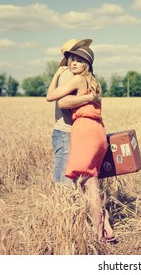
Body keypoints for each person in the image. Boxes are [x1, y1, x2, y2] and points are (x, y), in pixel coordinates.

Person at [46, 45, 115, 243]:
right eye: (71, 60)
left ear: (86, 64)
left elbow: (55, 99)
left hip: (84, 131)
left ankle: (97, 233)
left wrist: (55, 76)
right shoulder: (95, 82)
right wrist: (87, 96)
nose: (73, 63)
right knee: (91, 182)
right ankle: (106, 228)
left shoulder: (77, 79)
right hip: (98, 132)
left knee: (88, 184)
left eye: (78, 60)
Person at [50, 38, 99, 184]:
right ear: (69, 58)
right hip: (66, 131)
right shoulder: (69, 75)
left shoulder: (83, 78)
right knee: (64, 179)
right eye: (75, 56)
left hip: (73, 131)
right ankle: (62, 205)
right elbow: (61, 102)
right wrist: (90, 97)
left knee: (71, 177)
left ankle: (71, 205)